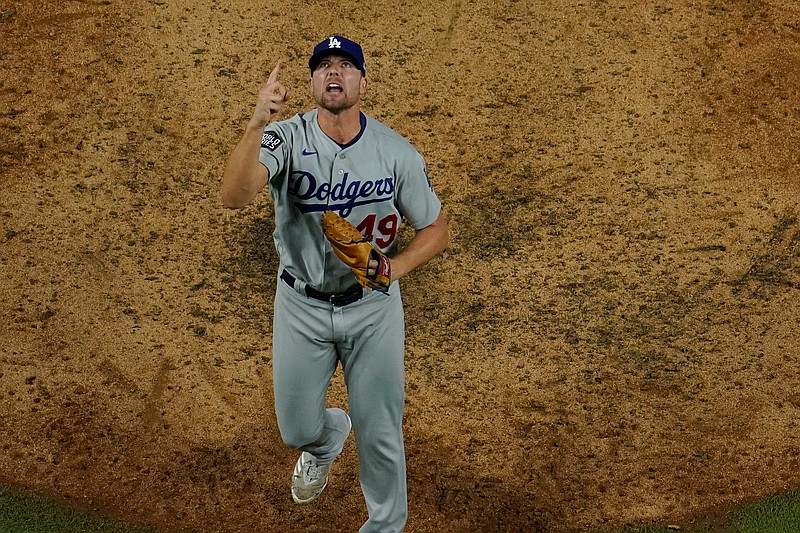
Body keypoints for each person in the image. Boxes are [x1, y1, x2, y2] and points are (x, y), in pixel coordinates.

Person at [220, 35, 449, 533]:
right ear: (311, 83)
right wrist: (258, 120)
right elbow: (235, 196)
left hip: (373, 307)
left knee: (381, 432)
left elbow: (437, 228)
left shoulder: (396, 153)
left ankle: (385, 525)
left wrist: (396, 269)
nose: (334, 73)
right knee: (296, 428)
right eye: (324, 66)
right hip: (300, 304)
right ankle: (326, 441)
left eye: (346, 66)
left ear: (363, 82)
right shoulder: (284, 138)